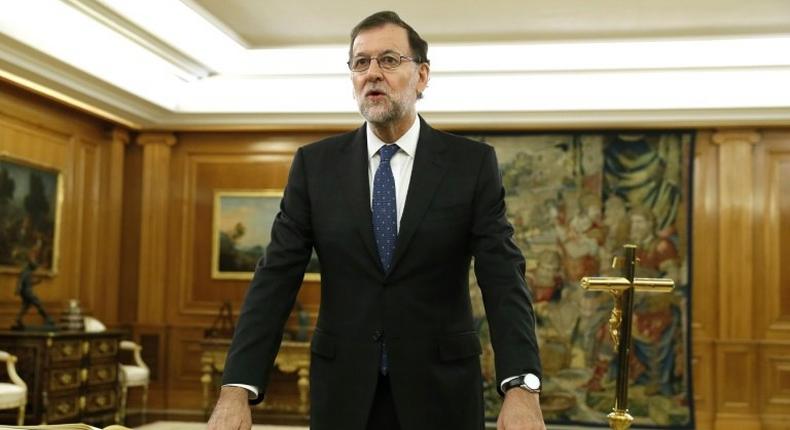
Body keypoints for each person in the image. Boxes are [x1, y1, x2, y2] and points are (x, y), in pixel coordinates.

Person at [208, 11, 544, 430]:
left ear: (421, 76)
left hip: (442, 395)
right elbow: (274, 278)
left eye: (388, 60)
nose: (372, 74)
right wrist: (237, 387)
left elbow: (503, 277)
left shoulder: (470, 165)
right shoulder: (316, 167)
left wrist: (521, 386)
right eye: (361, 63)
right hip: (343, 395)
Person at [13, 258, 55, 328]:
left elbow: (28, 283)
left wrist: (37, 282)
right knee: (38, 304)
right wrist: (18, 289)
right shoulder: (26, 272)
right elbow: (20, 281)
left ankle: (18, 319)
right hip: (28, 292)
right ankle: (48, 318)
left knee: (26, 306)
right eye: (35, 267)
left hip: (25, 291)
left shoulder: (27, 272)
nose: (36, 269)